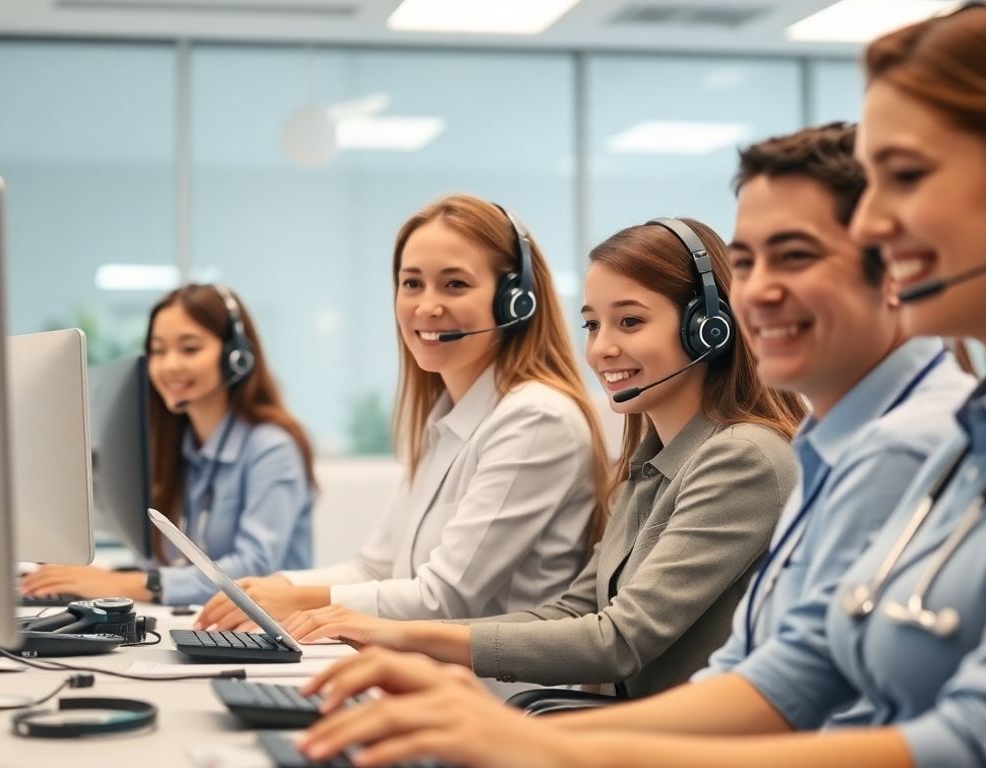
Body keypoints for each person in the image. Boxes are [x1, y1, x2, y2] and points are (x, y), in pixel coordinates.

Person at [291, 2, 986, 766]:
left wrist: (553, 747)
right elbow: (784, 674)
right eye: (745, 263)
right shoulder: (967, 432)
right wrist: (521, 736)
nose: (879, 224)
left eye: (908, 177)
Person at [283, 217, 803, 698]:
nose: (601, 349)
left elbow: (619, 640)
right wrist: (397, 635)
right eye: (593, 325)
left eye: (629, 321)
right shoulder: (651, 465)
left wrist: (401, 636)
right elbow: (576, 609)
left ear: (708, 328)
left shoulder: (743, 460)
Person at [194, 195, 612, 630]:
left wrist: (297, 598)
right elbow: (375, 566)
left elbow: (443, 596)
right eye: (412, 283)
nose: (427, 307)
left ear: (515, 301)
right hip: (423, 675)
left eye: (455, 284)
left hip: (499, 693)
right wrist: (270, 588)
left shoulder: (537, 419)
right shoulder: (447, 419)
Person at [698, 124, 974, 697]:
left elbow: (794, 695)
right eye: (744, 263)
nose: (757, 292)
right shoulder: (835, 433)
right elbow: (743, 660)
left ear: (895, 268)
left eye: (794, 257)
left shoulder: (905, 444)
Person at [20, 283, 315, 606]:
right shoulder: (181, 445)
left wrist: (128, 583)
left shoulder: (273, 448)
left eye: (189, 349)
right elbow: (171, 558)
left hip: (270, 634)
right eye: (159, 351)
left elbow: (255, 567)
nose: (170, 365)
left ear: (237, 356)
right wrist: (92, 577)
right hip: (209, 621)